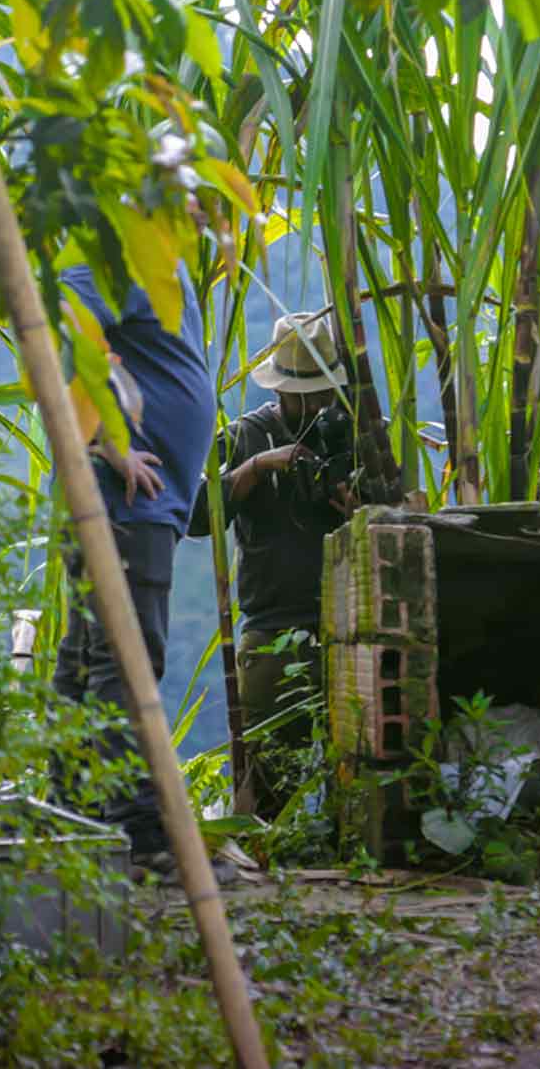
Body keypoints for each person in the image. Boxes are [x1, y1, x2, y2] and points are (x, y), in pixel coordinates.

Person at [52, 262, 211, 875]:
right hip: (124, 498)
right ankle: (141, 832)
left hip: (144, 502)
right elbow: (63, 323)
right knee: (127, 658)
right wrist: (108, 442)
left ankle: (72, 813)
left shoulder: (157, 255)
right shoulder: (108, 249)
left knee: (90, 656)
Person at [186, 312, 357, 818]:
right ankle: (269, 867)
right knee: (267, 778)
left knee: (357, 770)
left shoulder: (354, 434)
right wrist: (257, 468)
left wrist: (359, 506)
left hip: (350, 628)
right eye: (302, 393)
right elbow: (198, 516)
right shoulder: (246, 436)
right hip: (273, 629)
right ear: (280, 389)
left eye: (321, 393)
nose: (313, 405)